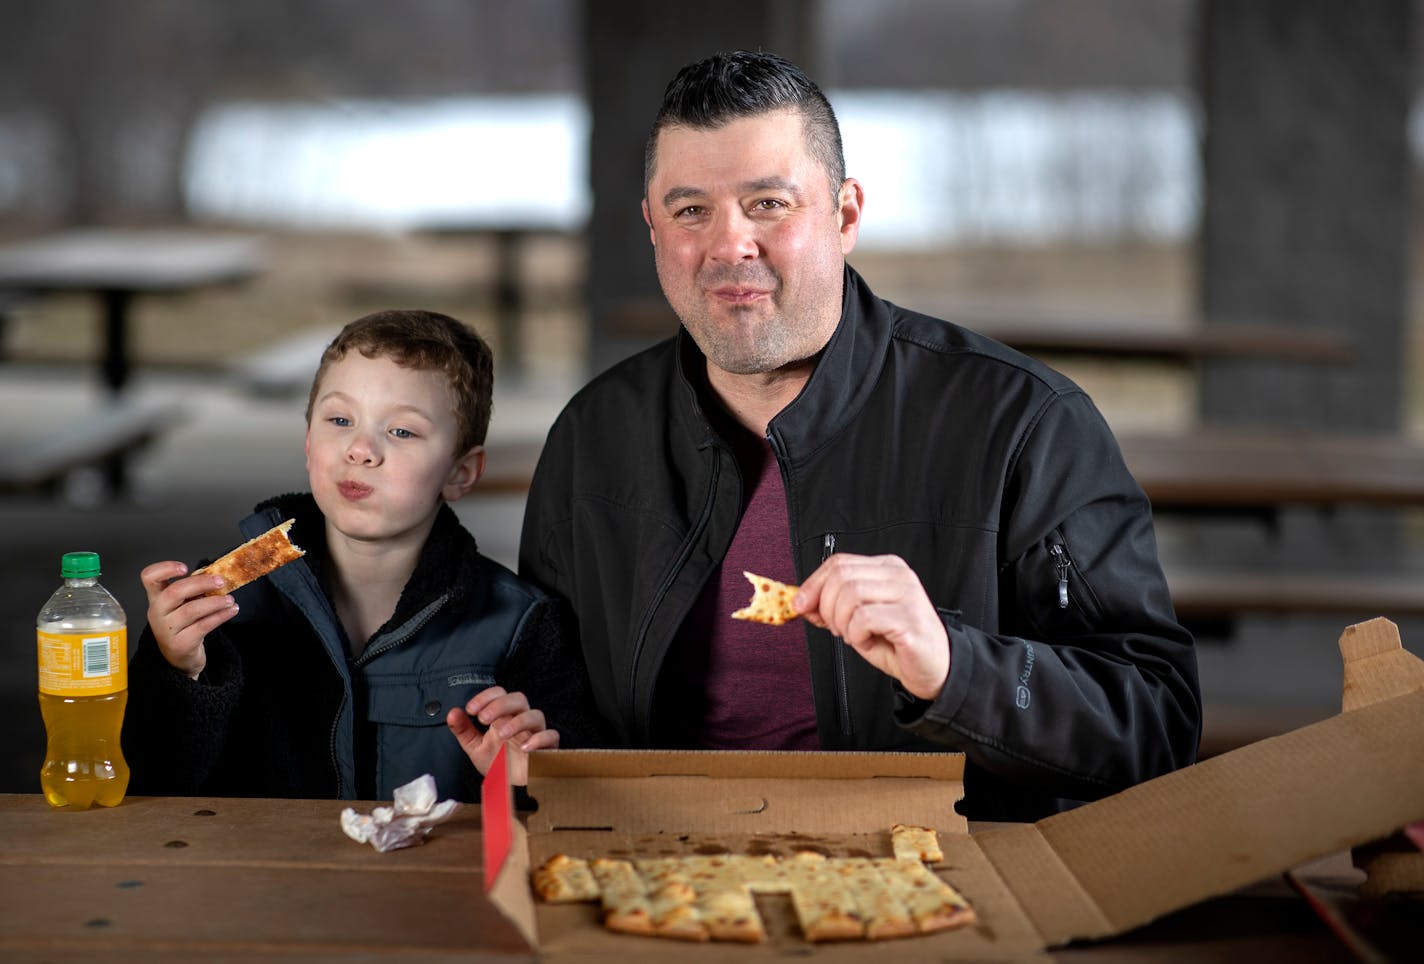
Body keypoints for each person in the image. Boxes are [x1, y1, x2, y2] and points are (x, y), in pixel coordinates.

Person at [518, 51, 1201, 821]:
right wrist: (536, 747)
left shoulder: (1022, 423)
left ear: (844, 216)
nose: (728, 245)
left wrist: (953, 666)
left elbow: (1156, 726)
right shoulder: (594, 434)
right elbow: (553, 693)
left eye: (769, 203)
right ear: (651, 225)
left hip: (936, 889)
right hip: (666, 884)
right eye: (690, 211)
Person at [122, 309, 599, 802]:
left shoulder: (522, 623)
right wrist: (177, 669)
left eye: (402, 431)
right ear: (309, 444)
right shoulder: (221, 602)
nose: (361, 449)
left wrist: (521, 777)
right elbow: (152, 786)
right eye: (340, 420)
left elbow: (574, 808)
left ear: (460, 472)